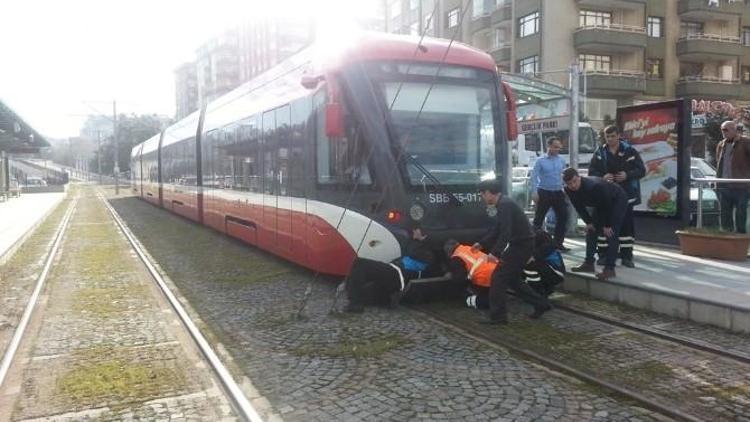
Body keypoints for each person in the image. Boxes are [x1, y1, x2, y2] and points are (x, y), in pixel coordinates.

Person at [473, 180, 552, 324]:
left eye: (482, 194)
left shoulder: (505, 205)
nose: (482, 197)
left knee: (498, 277)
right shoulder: (503, 203)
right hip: (522, 244)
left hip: (521, 246)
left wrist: (495, 253)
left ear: (490, 193)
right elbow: (498, 228)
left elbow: (505, 232)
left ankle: (499, 316)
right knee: (513, 280)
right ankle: (542, 304)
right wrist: (482, 243)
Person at [445, 230, 565, 310]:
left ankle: (539, 295)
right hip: (496, 272)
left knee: (528, 267)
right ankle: (539, 299)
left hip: (488, 279)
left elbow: (460, 279)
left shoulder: (458, 256)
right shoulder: (466, 248)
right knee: (518, 279)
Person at [588, 125, 645, 268]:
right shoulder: (600, 152)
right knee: (604, 226)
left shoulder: (629, 151)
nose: (610, 139)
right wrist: (602, 176)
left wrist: (627, 175)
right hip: (605, 196)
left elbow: (641, 170)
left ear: (618, 135)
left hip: (626, 195)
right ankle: (603, 255)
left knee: (626, 226)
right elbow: (591, 172)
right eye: (608, 137)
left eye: (613, 136)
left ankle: (627, 256)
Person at [344, 227, 439, 312]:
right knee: (361, 274)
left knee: (361, 263)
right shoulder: (418, 246)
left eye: (417, 229)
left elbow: (414, 256)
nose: (414, 231)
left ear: (424, 235)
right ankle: (353, 297)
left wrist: (418, 241)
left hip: (399, 275)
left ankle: (355, 303)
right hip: (394, 270)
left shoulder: (427, 252)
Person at [563, 168, 628, 281]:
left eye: (574, 181)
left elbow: (606, 204)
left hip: (616, 200)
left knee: (611, 233)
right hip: (601, 205)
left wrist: (607, 224)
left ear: (579, 177)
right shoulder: (568, 190)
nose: (573, 185)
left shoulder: (593, 186)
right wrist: (588, 222)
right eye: (569, 184)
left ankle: (610, 269)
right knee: (591, 231)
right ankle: (589, 263)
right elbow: (579, 207)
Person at [531, 136, 569, 251]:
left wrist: (566, 189)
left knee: (563, 216)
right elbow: (534, 177)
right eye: (555, 147)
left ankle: (558, 243)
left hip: (558, 192)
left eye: (559, 147)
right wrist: (534, 192)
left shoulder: (561, 160)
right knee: (539, 218)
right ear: (549, 147)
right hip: (544, 191)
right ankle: (533, 242)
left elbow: (563, 176)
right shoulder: (540, 161)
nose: (558, 149)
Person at [716, 120, 750, 233]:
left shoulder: (745, 142)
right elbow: (719, 163)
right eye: (722, 130)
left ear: (734, 130)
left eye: (726, 130)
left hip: (741, 186)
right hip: (724, 186)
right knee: (725, 214)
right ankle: (727, 237)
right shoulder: (721, 144)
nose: (724, 132)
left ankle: (740, 239)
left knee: (741, 213)